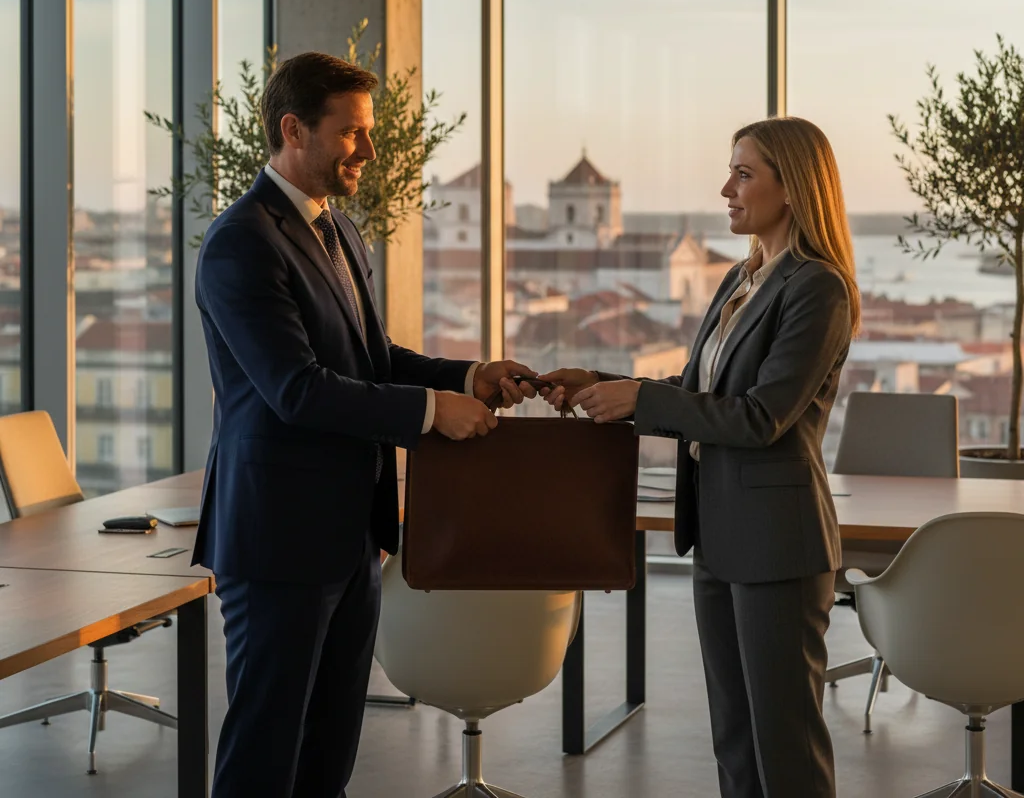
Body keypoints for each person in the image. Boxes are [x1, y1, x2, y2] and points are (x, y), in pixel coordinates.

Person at [191, 51, 537, 798]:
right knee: (265, 749)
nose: (371, 151)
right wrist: (430, 413)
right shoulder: (240, 242)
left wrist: (466, 376)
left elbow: (373, 357)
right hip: (279, 538)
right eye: (353, 133)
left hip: (350, 532)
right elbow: (297, 390)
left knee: (328, 748)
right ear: (294, 130)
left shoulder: (336, 230)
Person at [541, 117, 859, 798]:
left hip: (778, 544)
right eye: (731, 170)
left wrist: (638, 400)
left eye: (744, 174)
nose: (727, 188)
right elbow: (697, 392)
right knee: (736, 739)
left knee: (786, 744)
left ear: (794, 188)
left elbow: (759, 416)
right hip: (717, 530)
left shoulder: (818, 289)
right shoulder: (742, 281)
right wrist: (601, 386)